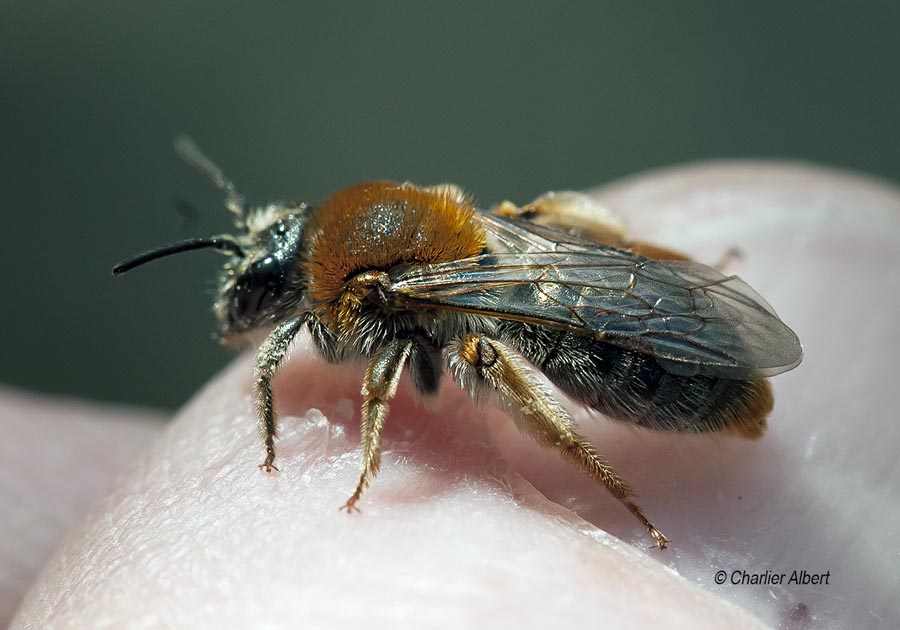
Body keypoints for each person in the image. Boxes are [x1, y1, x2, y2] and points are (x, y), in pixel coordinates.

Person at [6, 163, 899, 629]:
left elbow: (309, 362)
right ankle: (683, 283)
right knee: (538, 227)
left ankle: (613, 475)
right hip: (558, 281)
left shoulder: (370, 289)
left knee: (498, 353)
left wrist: (362, 467)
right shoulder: (394, 242)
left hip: (659, 369)